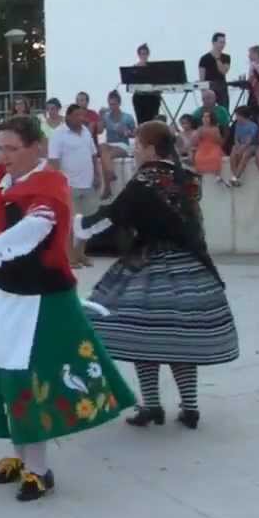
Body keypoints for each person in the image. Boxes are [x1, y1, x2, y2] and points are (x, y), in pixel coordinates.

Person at [0, 106, 134, 502]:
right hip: (6, 296)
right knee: (3, 378)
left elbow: (33, 230)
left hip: (41, 300)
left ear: (36, 147)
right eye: (0, 147)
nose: (3, 155)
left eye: (12, 148)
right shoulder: (1, 178)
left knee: (28, 381)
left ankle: (39, 470)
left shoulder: (50, 185)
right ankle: (21, 458)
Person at [77, 121, 238, 430]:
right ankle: (189, 408)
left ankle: (152, 406)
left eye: (138, 145)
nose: (136, 151)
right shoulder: (188, 178)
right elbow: (192, 225)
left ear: (150, 149)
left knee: (142, 336)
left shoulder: (145, 179)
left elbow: (115, 215)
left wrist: (79, 224)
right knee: (181, 339)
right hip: (190, 267)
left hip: (150, 266)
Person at [47, 105, 100, 268]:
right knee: (69, 224)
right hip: (69, 185)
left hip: (88, 184)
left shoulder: (85, 132)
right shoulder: (58, 134)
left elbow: (93, 155)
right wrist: (57, 184)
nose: (81, 118)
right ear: (68, 116)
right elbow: (53, 160)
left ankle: (80, 254)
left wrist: (97, 175)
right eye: (77, 115)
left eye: (82, 115)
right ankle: (70, 258)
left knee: (87, 223)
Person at [97, 90, 136, 199]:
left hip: (122, 144)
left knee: (106, 155)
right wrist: (100, 117)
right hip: (110, 144)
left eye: (114, 104)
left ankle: (107, 188)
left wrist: (126, 132)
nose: (111, 106)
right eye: (110, 104)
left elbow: (135, 134)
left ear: (119, 103)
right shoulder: (106, 116)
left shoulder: (127, 117)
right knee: (102, 147)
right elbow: (99, 131)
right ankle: (111, 173)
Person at [198, 32, 232, 109]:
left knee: (224, 109)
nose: (223, 45)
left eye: (224, 42)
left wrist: (217, 58)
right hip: (209, 86)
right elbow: (201, 77)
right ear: (214, 42)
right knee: (209, 110)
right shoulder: (204, 58)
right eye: (221, 42)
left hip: (221, 86)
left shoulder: (226, 57)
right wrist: (203, 92)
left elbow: (223, 71)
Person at [130, 43, 163, 124]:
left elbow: (159, 82)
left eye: (145, 53)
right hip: (139, 97)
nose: (143, 56)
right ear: (138, 55)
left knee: (153, 122)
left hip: (152, 97)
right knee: (141, 122)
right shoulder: (134, 68)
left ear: (148, 54)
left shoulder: (153, 68)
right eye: (141, 54)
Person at [227, 106, 259, 187]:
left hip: (252, 145)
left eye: (237, 115)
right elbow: (236, 138)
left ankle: (235, 177)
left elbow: (249, 140)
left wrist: (242, 148)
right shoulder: (238, 125)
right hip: (241, 144)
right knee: (233, 153)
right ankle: (235, 176)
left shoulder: (253, 126)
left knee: (245, 155)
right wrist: (238, 146)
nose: (236, 117)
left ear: (243, 116)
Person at [193, 110, 225, 181]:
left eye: (207, 117)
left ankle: (217, 175)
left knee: (215, 157)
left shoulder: (215, 128)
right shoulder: (200, 128)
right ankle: (199, 175)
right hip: (202, 147)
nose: (205, 118)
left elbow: (219, 141)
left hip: (213, 147)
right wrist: (198, 134)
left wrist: (214, 135)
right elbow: (195, 142)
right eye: (203, 117)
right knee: (198, 158)